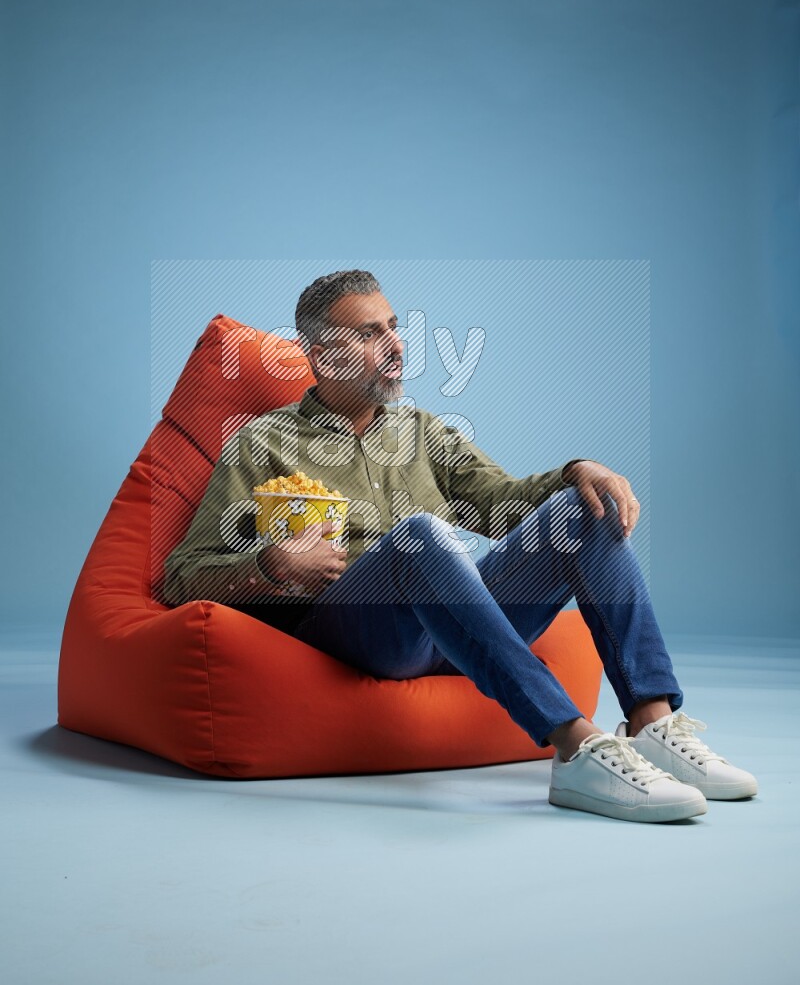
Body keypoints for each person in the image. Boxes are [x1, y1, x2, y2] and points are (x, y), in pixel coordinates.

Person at [164, 269, 758, 823]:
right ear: (322, 355)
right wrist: (271, 563)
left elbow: (506, 503)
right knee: (421, 536)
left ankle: (653, 722)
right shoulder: (264, 442)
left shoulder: (424, 432)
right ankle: (575, 749)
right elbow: (180, 577)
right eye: (371, 335)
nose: (396, 345)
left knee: (580, 507)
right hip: (360, 633)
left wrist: (578, 470)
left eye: (394, 327)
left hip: (461, 628)